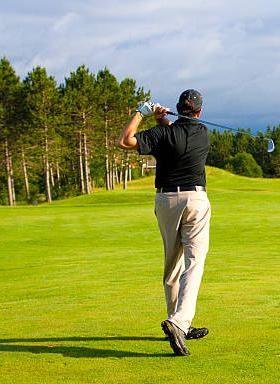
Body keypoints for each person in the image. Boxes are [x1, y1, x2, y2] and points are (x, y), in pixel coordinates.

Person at [117, 89, 211, 356]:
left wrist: (142, 113)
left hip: (166, 201)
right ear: (199, 112)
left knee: (172, 264)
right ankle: (178, 322)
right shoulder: (203, 132)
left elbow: (126, 141)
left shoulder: (163, 134)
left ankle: (178, 323)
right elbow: (176, 137)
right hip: (195, 199)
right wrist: (160, 120)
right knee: (194, 263)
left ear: (178, 109)